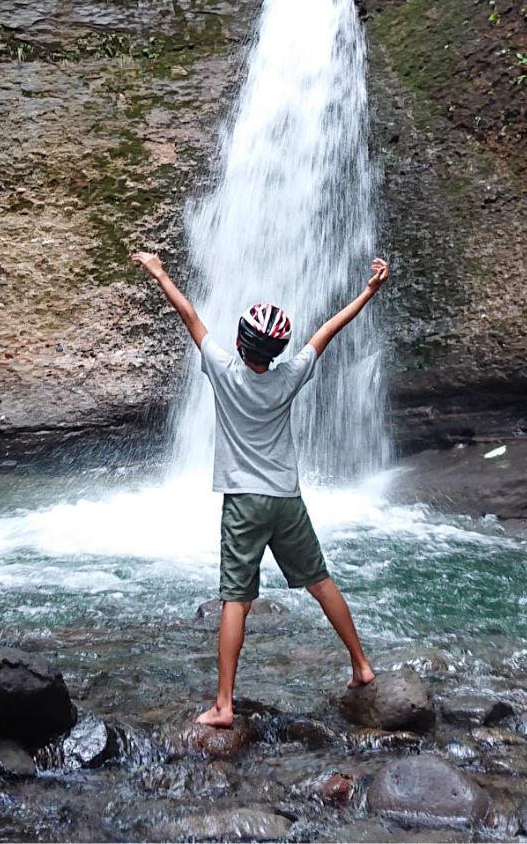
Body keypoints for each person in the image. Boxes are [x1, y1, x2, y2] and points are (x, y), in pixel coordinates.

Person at [130, 250, 390, 728]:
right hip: (285, 499)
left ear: (239, 341)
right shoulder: (290, 376)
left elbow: (188, 314)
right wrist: (369, 292)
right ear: (278, 350)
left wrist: (159, 272)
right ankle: (361, 664)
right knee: (319, 580)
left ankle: (225, 705)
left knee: (235, 599)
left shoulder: (223, 370)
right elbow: (327, 332)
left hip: (243, 502)